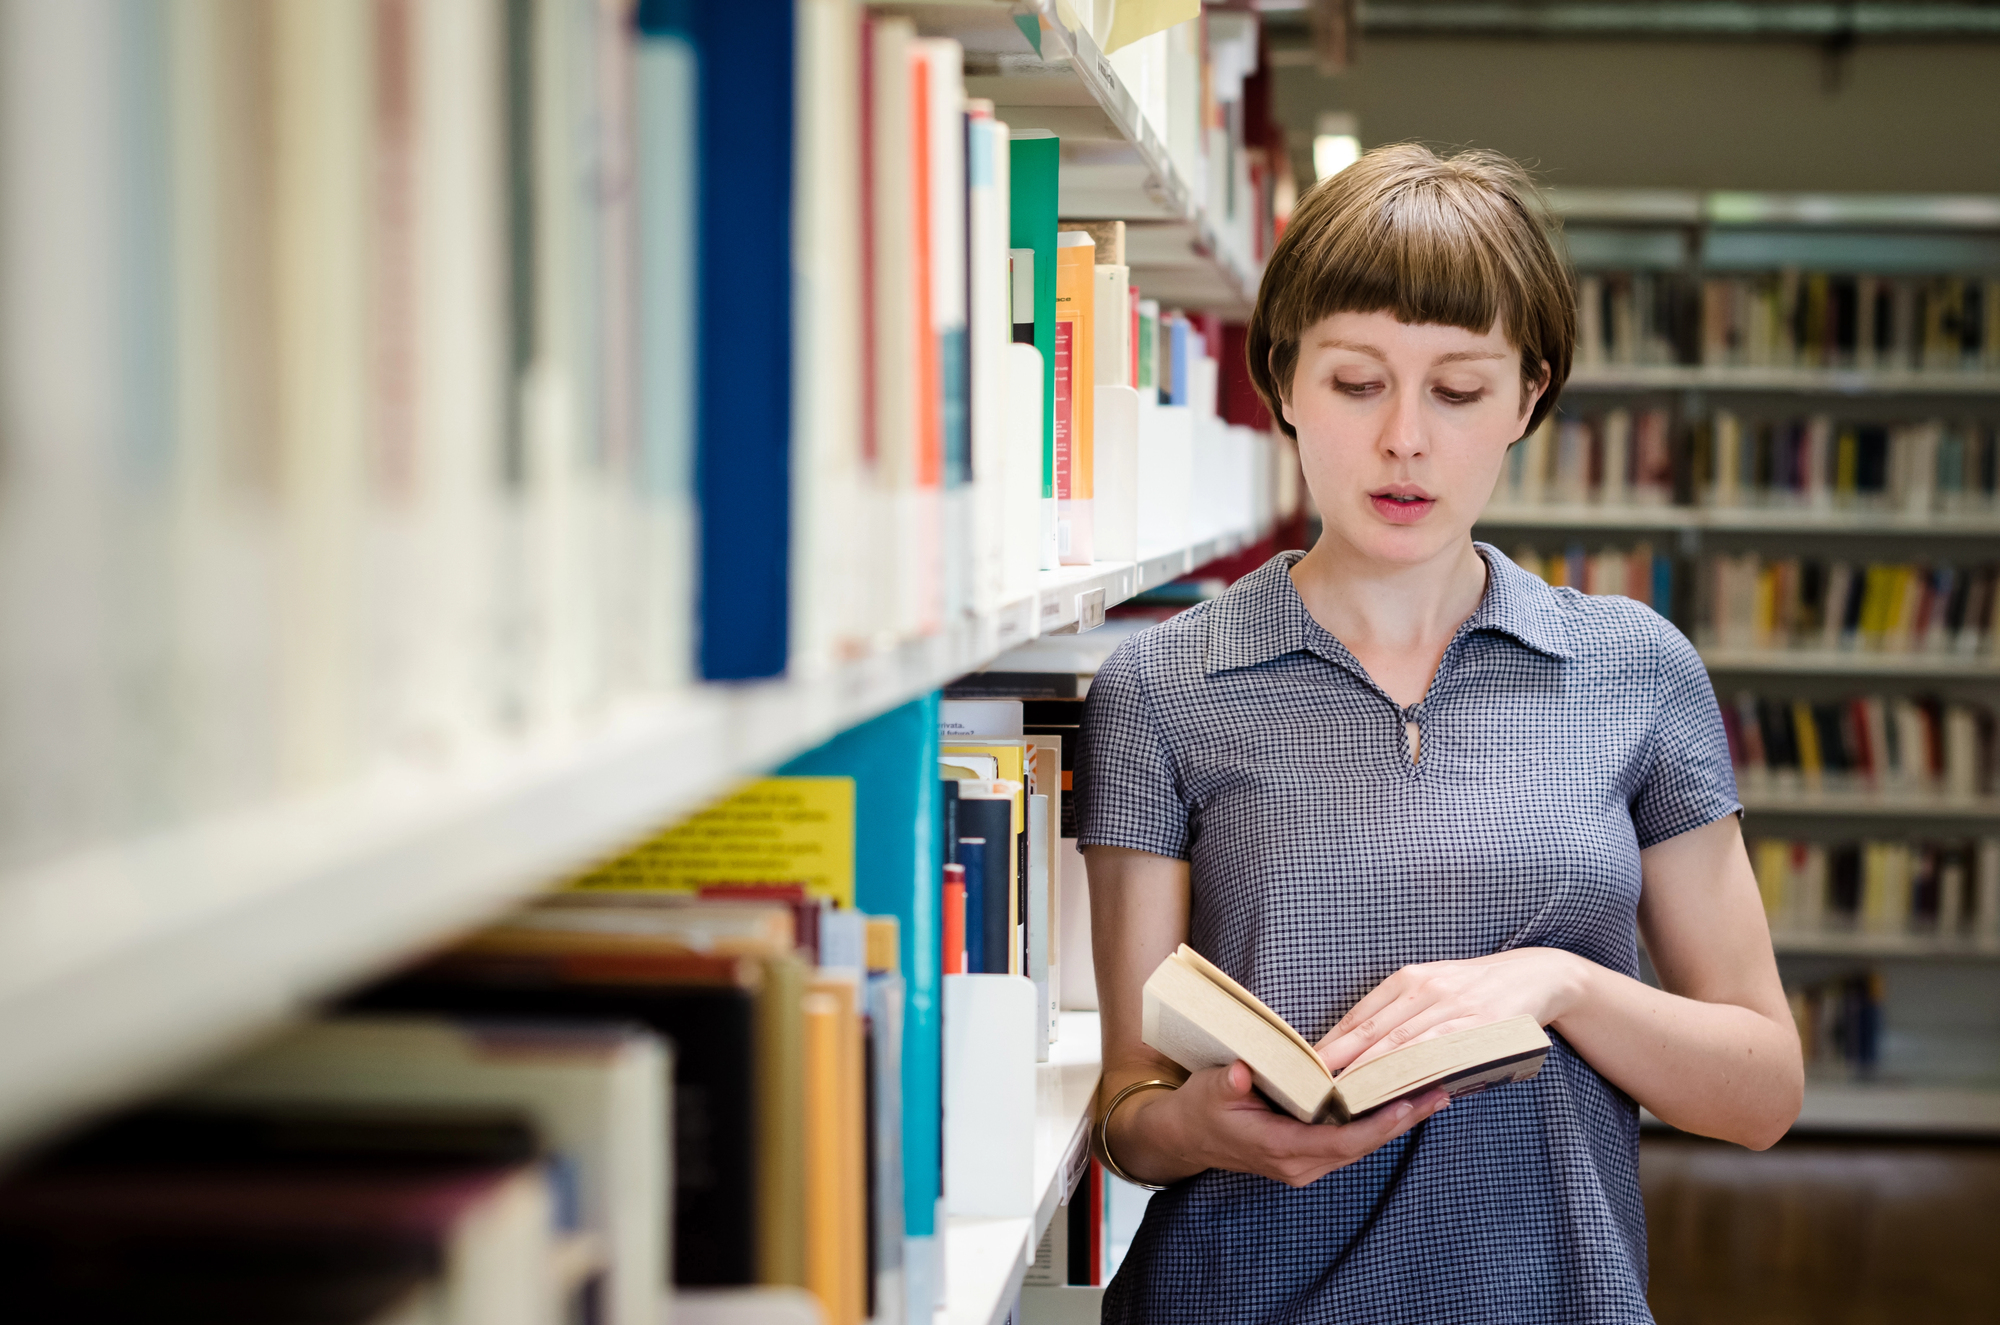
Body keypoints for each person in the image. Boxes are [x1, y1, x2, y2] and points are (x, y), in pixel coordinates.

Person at [1076, 144, 1803, 1324]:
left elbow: (1761, 1093)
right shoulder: (1162, 685)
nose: (1404, 438)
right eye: (1358, 383)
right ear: (1283, 384)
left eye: (1457, 391)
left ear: (1528, 396)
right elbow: (1129, 1110)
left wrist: (1562, 981)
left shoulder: (1633, 670)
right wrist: (1188, 1124)